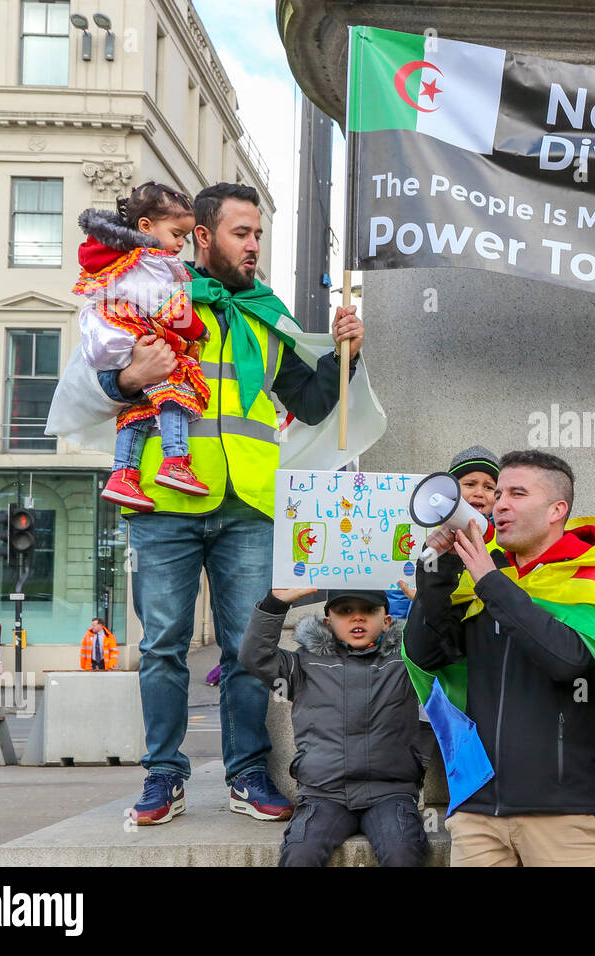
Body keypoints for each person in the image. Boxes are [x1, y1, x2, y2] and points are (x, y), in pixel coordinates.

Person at [99, 182, 364, 826]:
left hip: (248, 503)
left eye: (258, 236)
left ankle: (247, 773)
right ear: (203, 235)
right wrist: (131, 378)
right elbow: (103, 373)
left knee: (247, 650)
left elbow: (310, 403)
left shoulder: (265, 314)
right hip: (166, 496)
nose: (253, 247)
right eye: (241, 234)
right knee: (163, 645)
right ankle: (164, 776)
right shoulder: (155, 289)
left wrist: (347, 355)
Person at [403, 449, 595, 866]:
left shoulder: (593, 581)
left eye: (517, 493)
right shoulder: (483, 581)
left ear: (556, 510)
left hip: (566, 816)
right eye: (499, 493)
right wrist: (436, 577)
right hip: (478, 813)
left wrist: (491, 582)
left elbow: (568, 662)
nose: (498, 503)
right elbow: (426, 656)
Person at [239, 587, 428, 867]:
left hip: (390, 793)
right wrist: (275, 603)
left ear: (387, 620)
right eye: (345, 611)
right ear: (328, 622)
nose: (357, 619)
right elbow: (254, 655)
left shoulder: (405, 661)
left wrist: (430, 603)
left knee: (403, 852)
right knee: (300, 855)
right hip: (322, 795)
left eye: (368, 611)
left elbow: (447, 652)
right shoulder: (304, 663)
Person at [74, 182, 211, 511]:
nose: (181, 244)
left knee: (138, 407)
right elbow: (164, 303)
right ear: (146, 227)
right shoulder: (148, 261)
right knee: (174, 387)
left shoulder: (124, 257)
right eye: (177, 234)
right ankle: (175, 460)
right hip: (132, 333)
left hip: (115, 338)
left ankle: (122, 474)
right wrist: (197, 329)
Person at [394, 445, 500, 606]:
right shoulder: (433, 536)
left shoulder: (503, 540)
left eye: (489, 487)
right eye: (470, 484)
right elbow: (414, 581)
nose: (479, 492)